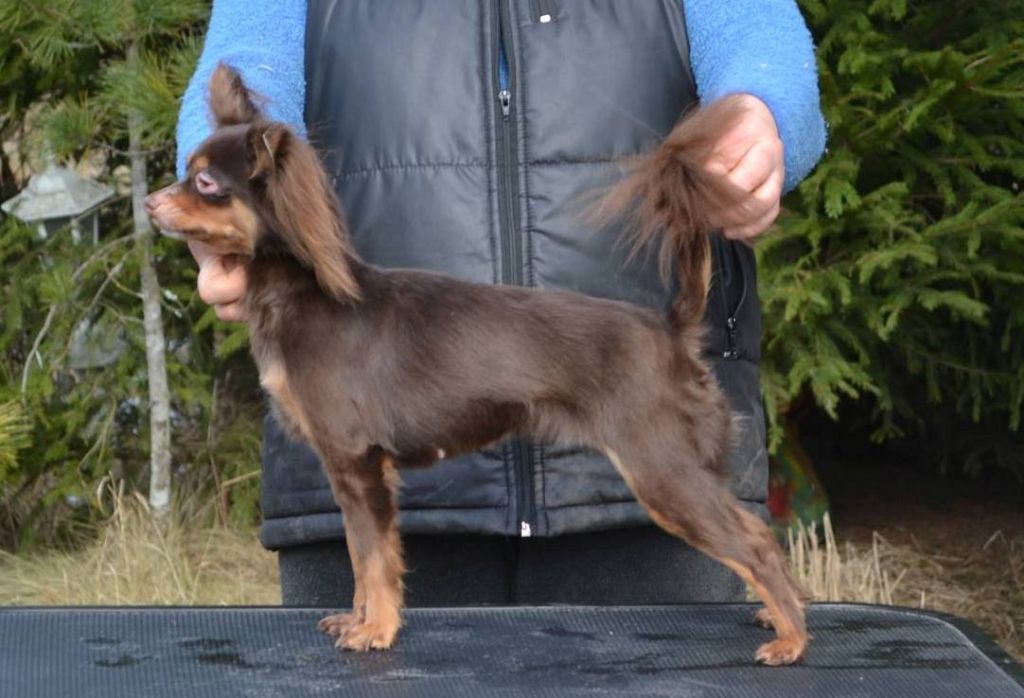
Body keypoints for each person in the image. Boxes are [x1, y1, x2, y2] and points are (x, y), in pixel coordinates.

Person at [177, 0, 826, 607]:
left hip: (639, 442)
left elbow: (755, 35)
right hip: (363, 461)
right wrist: (226, 204)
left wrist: (760, 114)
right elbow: (249, 64)